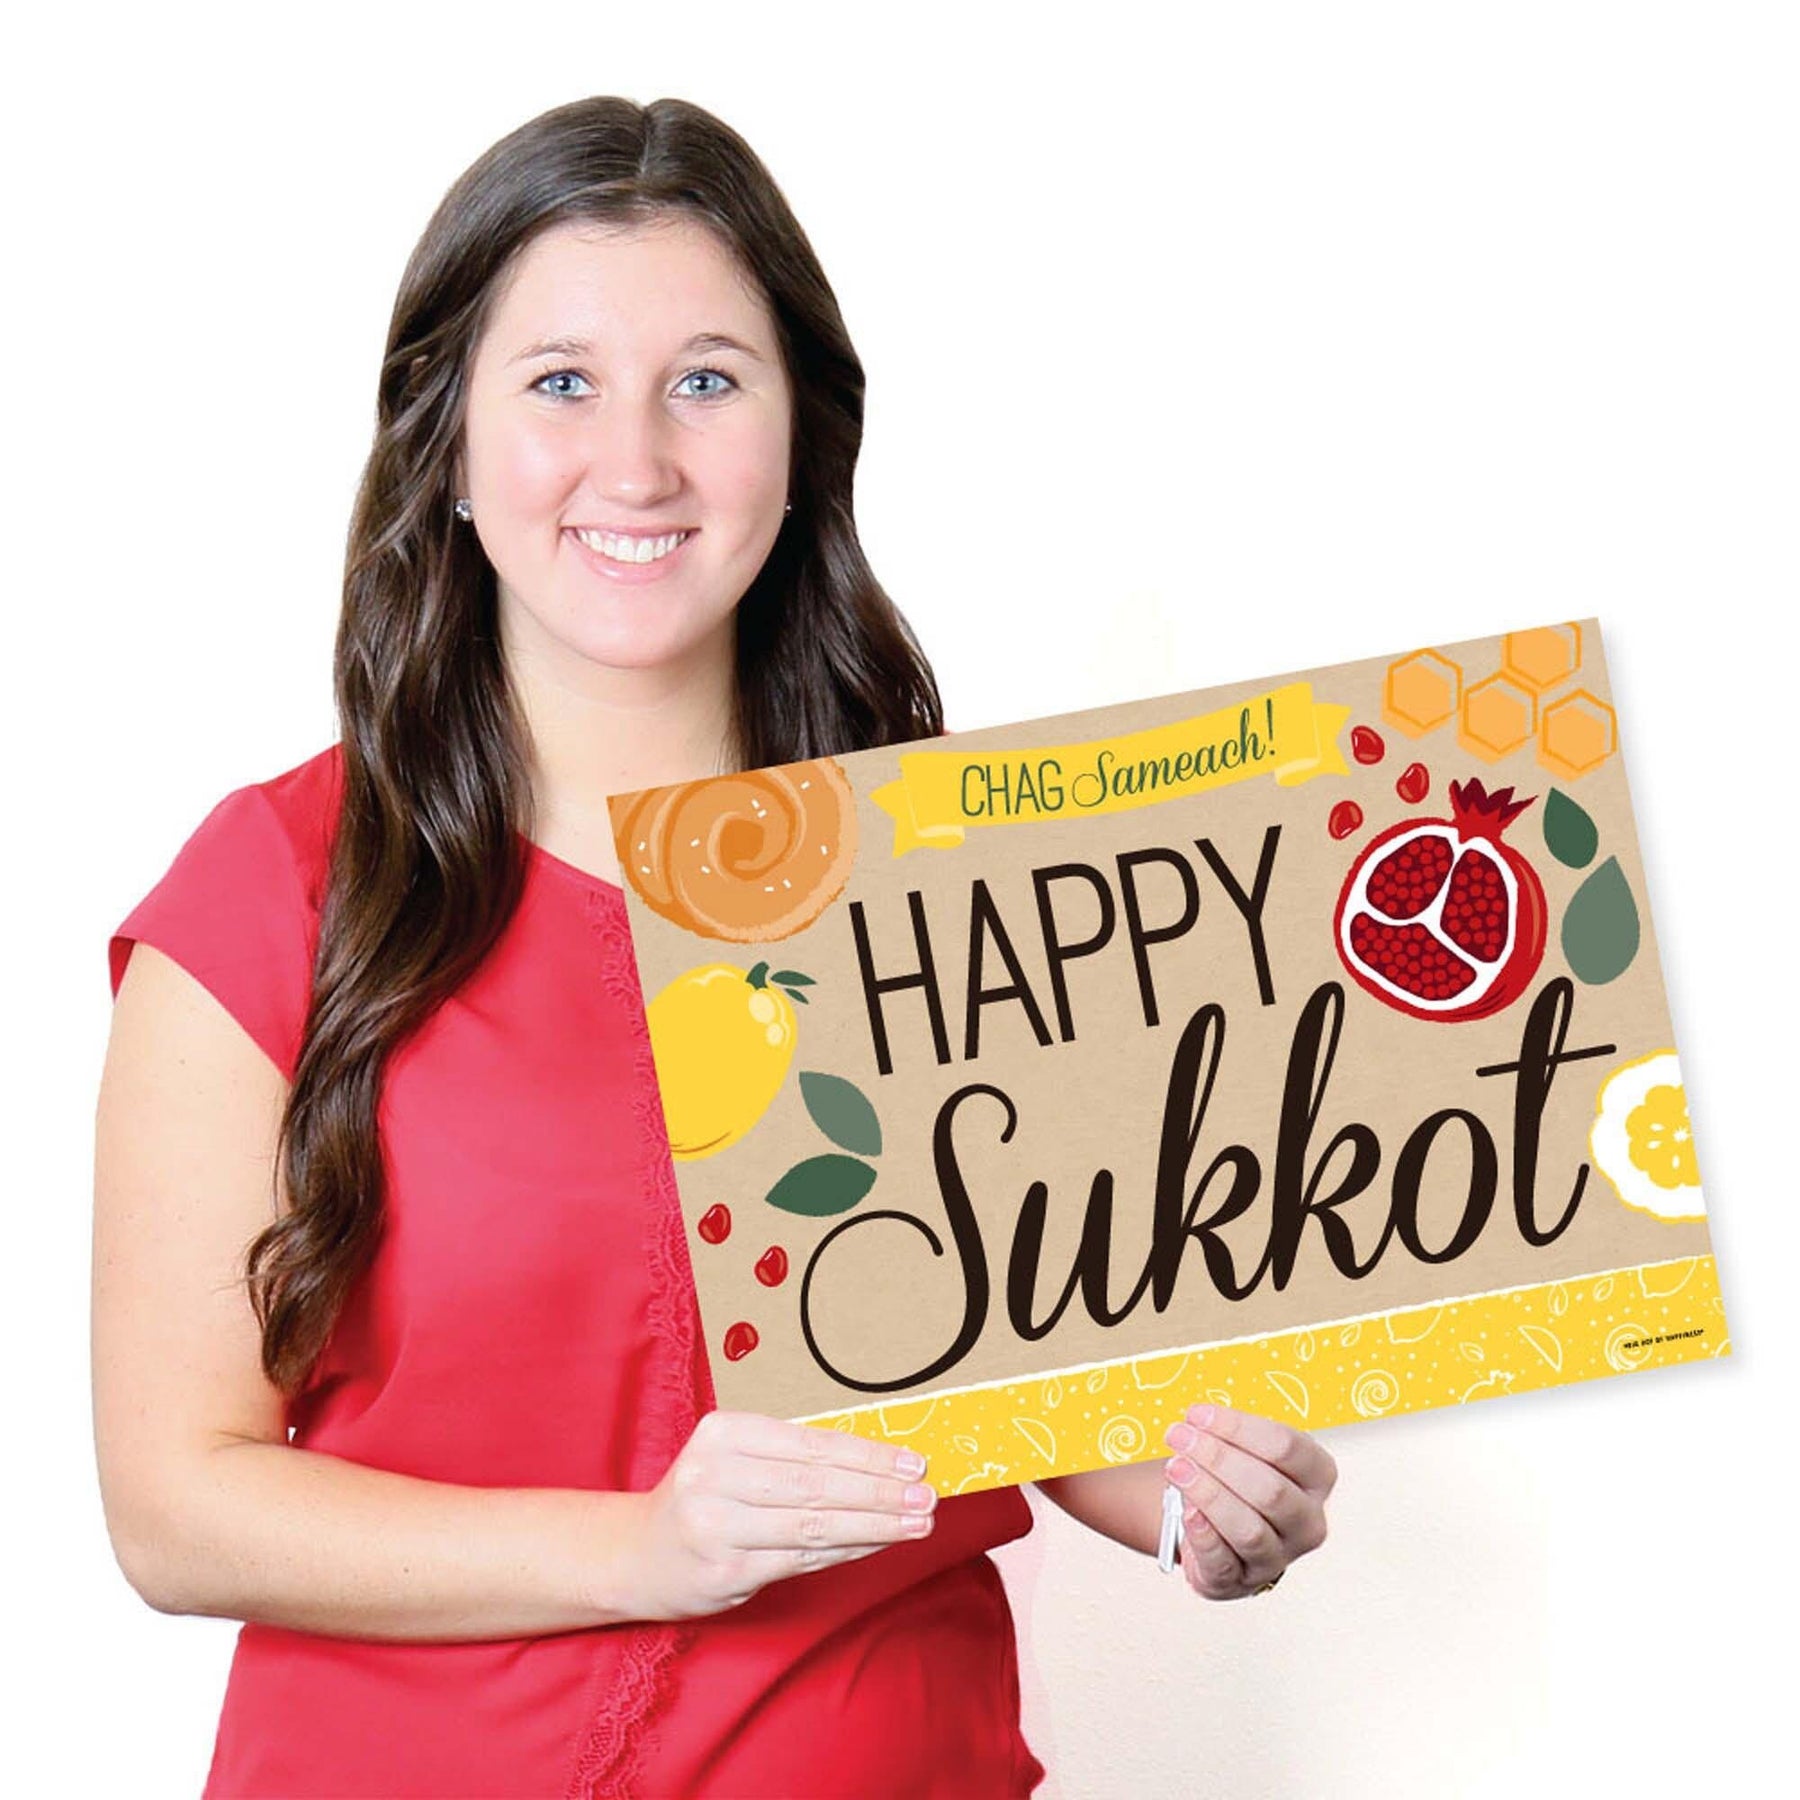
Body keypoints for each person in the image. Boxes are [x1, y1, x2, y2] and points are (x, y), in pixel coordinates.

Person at [92, 95, 1338, 1797]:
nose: (637, 464)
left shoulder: (956, 874)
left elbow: (1037, 1381)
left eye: (706, 380)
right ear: (446, 444)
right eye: (559, 383)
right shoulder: (274, 892)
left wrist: (1204, 1495)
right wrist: (644, 1549)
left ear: (803, 436)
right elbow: (174, 1505)